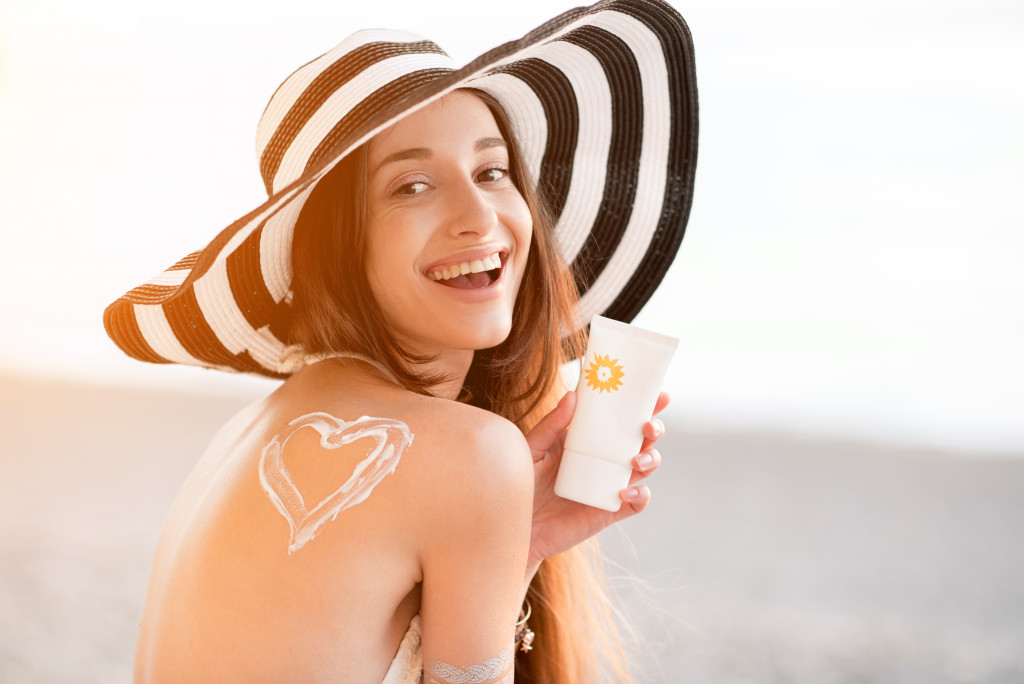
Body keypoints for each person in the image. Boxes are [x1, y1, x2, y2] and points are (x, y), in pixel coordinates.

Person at [103, 1, 697, 682]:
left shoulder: (248, 433)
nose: (479, 217)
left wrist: (518, 540)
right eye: (412, 186)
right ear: (337, 243)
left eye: (492, 171)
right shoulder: (470, 453)